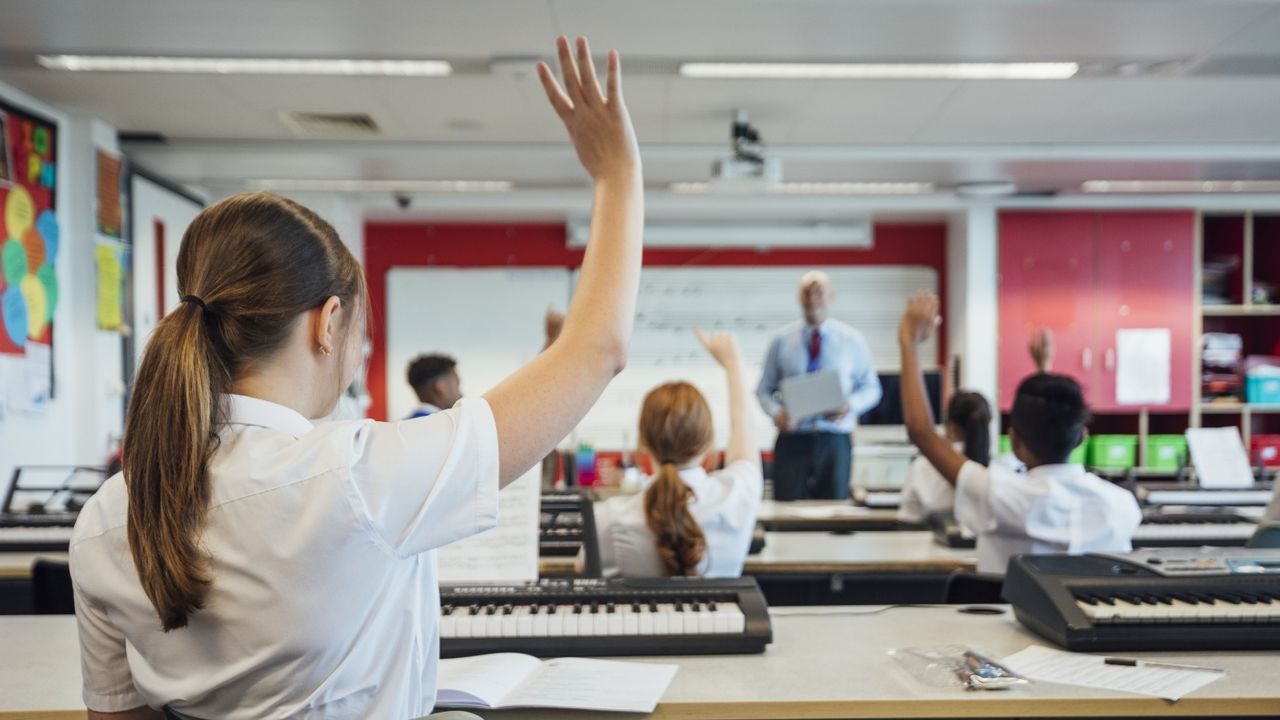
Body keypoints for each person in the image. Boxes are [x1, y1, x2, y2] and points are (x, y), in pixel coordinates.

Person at [69, 36, 643, 720]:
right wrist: (618, 177)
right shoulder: (356, 478)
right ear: (328, 323)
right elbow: (596, 350)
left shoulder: (108, 515)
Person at [897, 290, 1141, 575]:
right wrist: (1043, 369)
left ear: (1014, 440)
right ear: (1080, 437)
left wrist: (909, 344)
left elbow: (921, 431)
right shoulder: (1122, 506)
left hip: (1008, 619)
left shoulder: (999, 495)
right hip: (1088, 618)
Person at [579, 329, 762, 578]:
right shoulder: (738, 495)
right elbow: (745, 434)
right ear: (708, 445)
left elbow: (581, 569)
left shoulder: (608, 519)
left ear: (643, 444)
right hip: (720, 619)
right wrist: (733, 364)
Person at [757, 271, 882, 500]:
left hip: (834, 439)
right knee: (786, 509)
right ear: (799, 298)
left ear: (831, 296)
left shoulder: (852, 340)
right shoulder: (781, 341)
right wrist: (777, 414)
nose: (813, 297)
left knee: (835, 510)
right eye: (807, 292)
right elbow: (763, 389)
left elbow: (872, 388)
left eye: (819, 291)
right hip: (793, 439)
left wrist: (850, 405)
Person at [896, 391, 992, 524]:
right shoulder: (1000, 470)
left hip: (925, 542)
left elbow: (908, 517)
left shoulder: (923, 465)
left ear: (951, 427)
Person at [406, 353, 462, 418]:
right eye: (457, 385)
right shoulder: (446, 426)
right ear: (441, 387)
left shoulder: (399, 425)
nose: (461, 395)